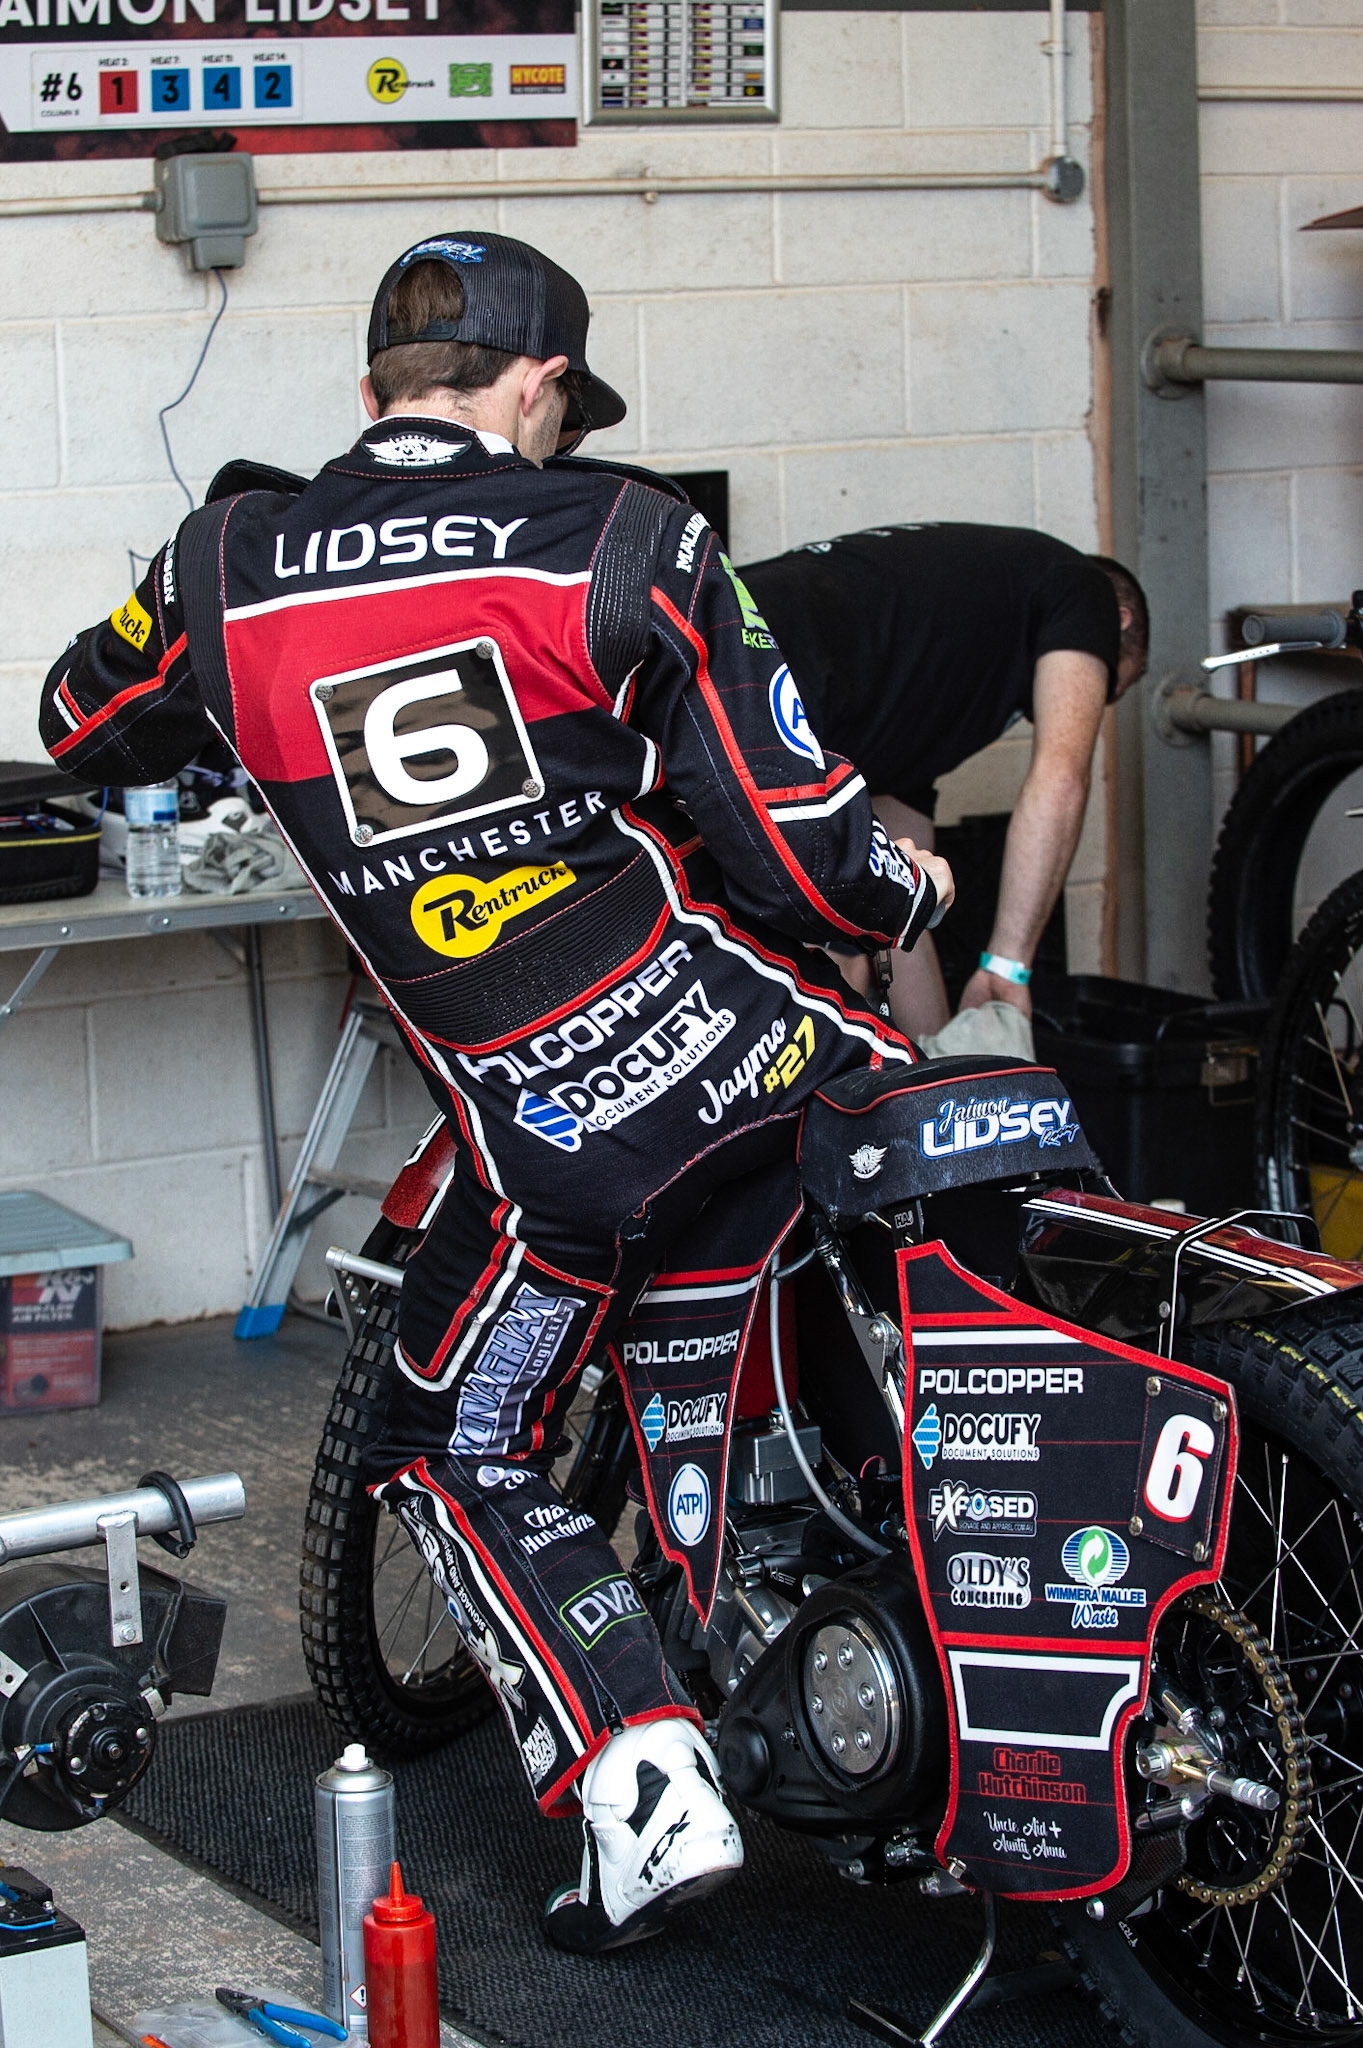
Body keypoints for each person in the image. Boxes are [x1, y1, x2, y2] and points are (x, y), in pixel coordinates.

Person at [39, 234, 952, 1954]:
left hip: (564, 1143)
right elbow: (800, 856)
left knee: (448, 1444)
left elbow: (81, 719)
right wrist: (909, 885)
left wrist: (231, 690)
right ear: (535, 386)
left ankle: (644, 1775)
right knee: (923, 1299)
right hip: (786, 1059)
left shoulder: (226, 562)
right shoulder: (627, 533)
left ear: (370, 389)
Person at [740, 525, 1149, 1039]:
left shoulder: (924, 695)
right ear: (1120, 621)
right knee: (835, 948)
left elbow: (908, 910)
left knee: (870, 916)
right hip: (766, 658)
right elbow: (1062, 776)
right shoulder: (1082, 585)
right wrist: (1008, 966)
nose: (1098, 698)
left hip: (721, 629)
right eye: (1113, 683)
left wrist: (949, 1065)